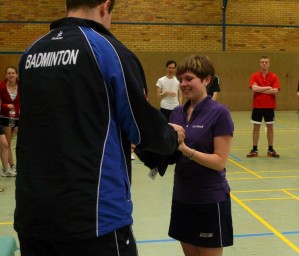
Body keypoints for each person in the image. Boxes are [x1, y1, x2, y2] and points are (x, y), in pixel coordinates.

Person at [14, 1, 185, 256]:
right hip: (93, 217)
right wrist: (172, 137)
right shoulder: (107, 49)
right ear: (105, 6)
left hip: (33, 215)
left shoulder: (30, 54)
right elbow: (142, 127)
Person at [168, 55, 234, 256]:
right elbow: (170, 154)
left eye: (189, 79)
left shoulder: (219, 113)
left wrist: (185, 150)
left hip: (209, 200)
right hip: (182, 197)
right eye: (181, 80)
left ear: (206, 80)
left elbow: (219, 162)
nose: (183, 84)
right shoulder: (177, 113)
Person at [247, 56, 280, 158]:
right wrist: (267, 88)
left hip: (269, 106)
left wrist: (260, 89)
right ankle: (254, 149)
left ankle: (270, 150)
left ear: (269, 64)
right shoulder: (254, 76)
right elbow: (253, 88)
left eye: (266, 62)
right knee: (256, 127)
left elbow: (275, 90)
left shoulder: (274, 76)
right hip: (257, 106)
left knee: (270, 127)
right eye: (262, 62)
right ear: (260, 64)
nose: (264, 64)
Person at [0, 66, 19, 174]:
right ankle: (12, 165)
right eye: (9, 73)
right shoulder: (2, 87)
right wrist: (6, 105)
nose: (11, 75)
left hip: (18, 116)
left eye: (13, 73)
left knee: (22, 140)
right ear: (6, 75)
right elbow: (0, 104)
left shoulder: (21, 86)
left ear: (16, 75)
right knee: (7, 142)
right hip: (6, 117)